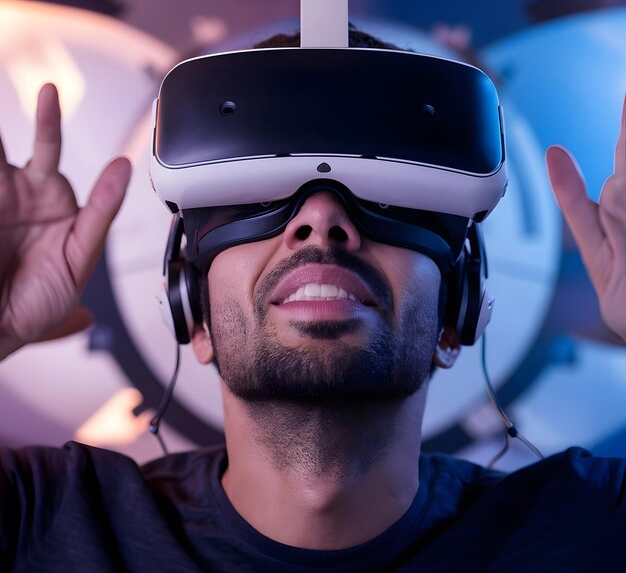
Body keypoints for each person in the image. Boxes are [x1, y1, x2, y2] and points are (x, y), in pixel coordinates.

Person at [0, 38, 625, 571]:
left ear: (454, 310)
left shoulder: (594, 530)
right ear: (191, 307)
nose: (320, 218)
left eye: (385, 196)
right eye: (258, 196)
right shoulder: (38, 517)